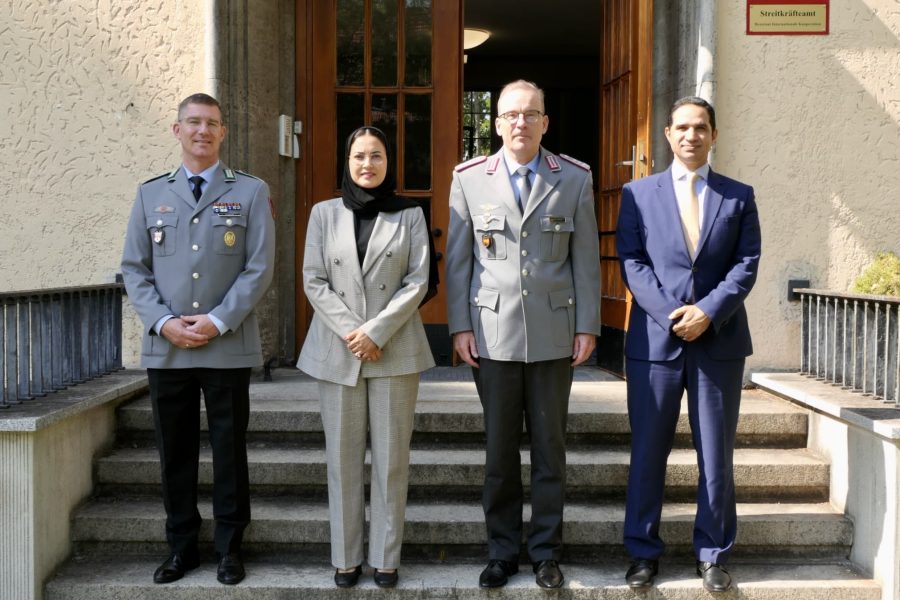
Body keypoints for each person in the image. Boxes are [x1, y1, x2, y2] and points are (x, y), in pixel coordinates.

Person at [445, 80, 601, 589]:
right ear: (495, 123)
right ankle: (502, 551)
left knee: (550, 449)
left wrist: (587, 326)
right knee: (499, 450)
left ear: (545, 122)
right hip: (492, 334)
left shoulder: (574, 178)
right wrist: (460, 326)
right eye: (510, 115)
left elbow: (585, 261)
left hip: (556, 331)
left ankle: (546, 552)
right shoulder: (469, 178)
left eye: (530, 114)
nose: (520, 123)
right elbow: (459, 261)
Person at [120, 93, 275, 585]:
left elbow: (259, 267)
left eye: (212, 123)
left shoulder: (249, 191)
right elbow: (134, 270)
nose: (202, 131)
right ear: (177, 130)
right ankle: (181, 548)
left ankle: (231, 549)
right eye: (193, 122)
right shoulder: (150, 195)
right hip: (167, 349)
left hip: (226, 345)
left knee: (229, 451)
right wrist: (164, 322)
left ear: (223, 132)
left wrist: (217, 320)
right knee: (176, 454)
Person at [616, 96, 761, 593]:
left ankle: (713, 552)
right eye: (681, 127)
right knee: (647, 453)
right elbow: (632, 261)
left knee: (716, 456)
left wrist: (708, 312)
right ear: (667, 134)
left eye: (700, 127)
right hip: (656, 344)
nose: (690, 136)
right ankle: (642, 553)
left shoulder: (738, 195)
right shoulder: (638, 193)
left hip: (718, 341)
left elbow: (746, 264)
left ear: (714, 134)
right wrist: (672, 314)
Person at [296, 126, 436, 589]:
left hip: (394, 348)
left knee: (393, 459)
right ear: (347, 161)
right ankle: (346, 557)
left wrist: (375, 332)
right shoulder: (323, 213)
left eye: (376, 156)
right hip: (338, 350)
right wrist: (353, 333)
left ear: (388, 162)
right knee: (342, 459)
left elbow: (418, 281)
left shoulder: (410, 214)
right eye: (359, 156)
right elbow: (313, 280)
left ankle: (386, 558)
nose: (368, 165)